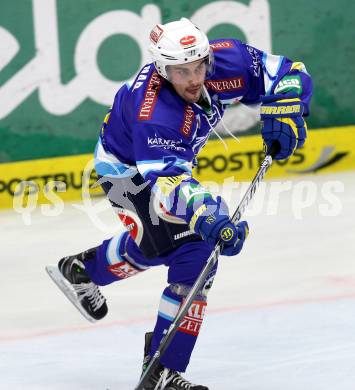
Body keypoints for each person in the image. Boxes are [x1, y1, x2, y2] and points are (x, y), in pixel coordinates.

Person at [46, 17, 312, 390]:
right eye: (180, 70)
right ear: (161, 68)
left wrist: (288, 106)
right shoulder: (155, 114)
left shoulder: (226, 60)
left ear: (207, 56)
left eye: (198, 65)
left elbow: (289, 73)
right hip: (127, 171)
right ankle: (162, 371)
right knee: (194, 252)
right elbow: (170, 185)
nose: (193, 78)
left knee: (160, 246)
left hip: (159, 166)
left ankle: (83, 269)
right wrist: (209, 215)